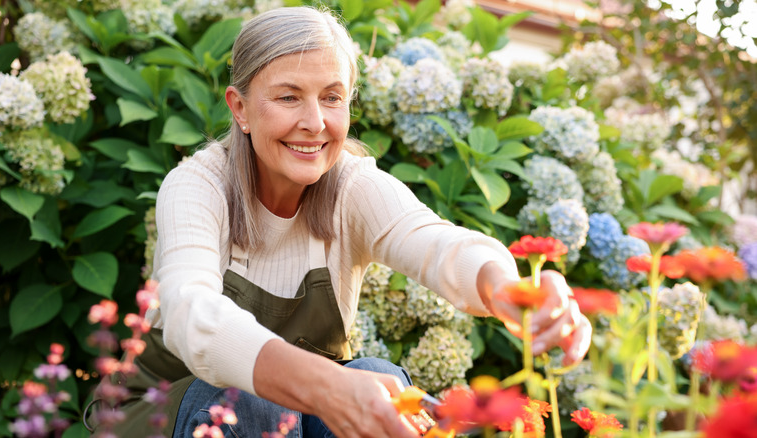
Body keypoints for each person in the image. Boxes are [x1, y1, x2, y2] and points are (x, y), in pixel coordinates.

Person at [93, 6, 591, 437]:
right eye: (289, 97)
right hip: (160, 413)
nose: (315, 122)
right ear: (240, 108)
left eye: (332, 97)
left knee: (380, 378)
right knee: (249, 400)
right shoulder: (196, 187)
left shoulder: (350, 185)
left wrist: (510, 292)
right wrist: (329, 384)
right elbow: (191, 316)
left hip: (297, 410)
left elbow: (436, 242)